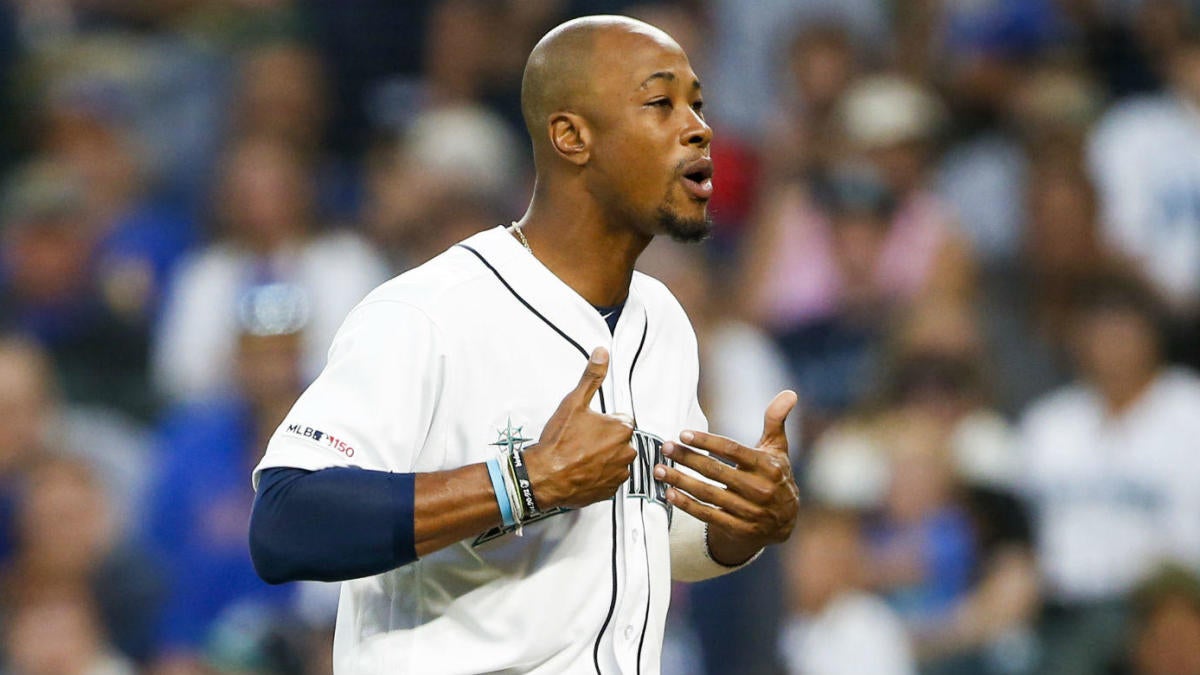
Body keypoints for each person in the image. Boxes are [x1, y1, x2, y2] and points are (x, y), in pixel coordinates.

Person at [247, 15, 800, 675]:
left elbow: (635, 539)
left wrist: (738, 527)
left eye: (698, 105)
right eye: (661, 103)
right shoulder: (428, 311)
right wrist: (520, 482)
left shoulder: (663, 321)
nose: (698, 129)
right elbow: (285, 521)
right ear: (570, 135)